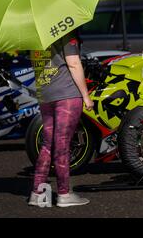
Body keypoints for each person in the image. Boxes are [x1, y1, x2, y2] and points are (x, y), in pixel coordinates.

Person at [28, 33, 94, 207]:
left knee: (48, 144)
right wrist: (86, 96)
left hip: (45, 95)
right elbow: (73, 64)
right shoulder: (64, 31)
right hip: (67, 94)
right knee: (62, 144)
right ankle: (64, 194)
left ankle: (37, 192)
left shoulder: (34, 36)